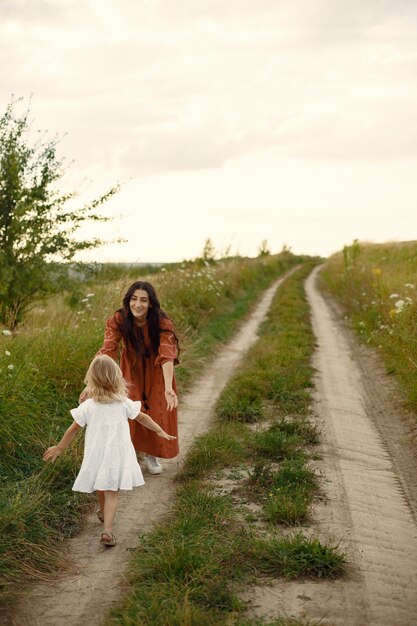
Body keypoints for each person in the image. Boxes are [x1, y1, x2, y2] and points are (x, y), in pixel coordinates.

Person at [43, 355, 176, 547]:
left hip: (95, 453)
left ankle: (104, 513)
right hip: (117, 454)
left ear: (92, 380)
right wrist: (160, 430)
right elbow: (143, 418)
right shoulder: (123, 402)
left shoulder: (88, 406)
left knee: (101, 485)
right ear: (116, 377)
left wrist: (59, 448)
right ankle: (107, 531)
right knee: (112, 491)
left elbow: (73, 429)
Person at [80, 280, 179, 475]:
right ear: (128, 300)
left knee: (156, 409)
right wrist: (91, 385)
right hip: (130, 368)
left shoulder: (162, 321)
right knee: (128, 408)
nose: (138, 304)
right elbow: (107, 351)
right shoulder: (119, 318)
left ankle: (152, 455)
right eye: (134, 299)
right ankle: (130, 456)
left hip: (156, 370)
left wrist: (168, 387)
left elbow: (167, 355)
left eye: (144, 300)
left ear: (151, 303)